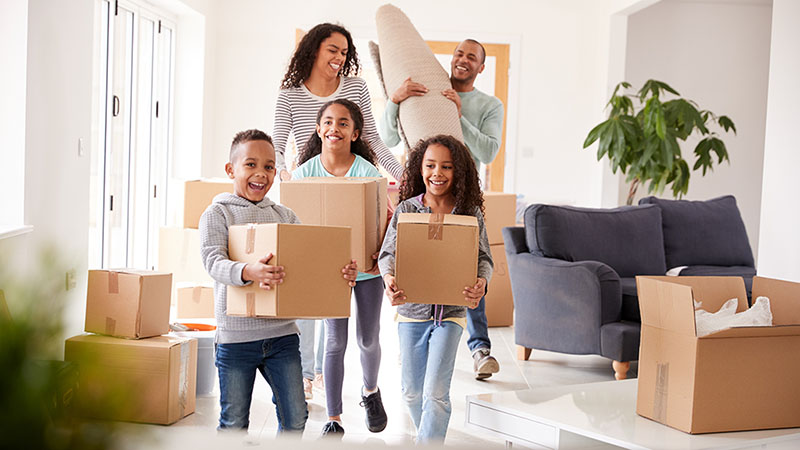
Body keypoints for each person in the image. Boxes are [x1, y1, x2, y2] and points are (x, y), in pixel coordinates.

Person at [199, 129, 358, 434]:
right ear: (231, 169)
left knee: (296, 417)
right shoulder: (217, 213)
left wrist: (341, 275)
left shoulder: (285, 215)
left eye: (269, 166)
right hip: (236, 338)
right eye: (251, 165)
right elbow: (212, 262)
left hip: (283, 335)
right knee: (233, 422)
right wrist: (248, 271)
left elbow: (311, 264)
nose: (261, 174)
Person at [275, 23, 404, 395]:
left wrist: (406, 176)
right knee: (313, 293)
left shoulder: (355, 88)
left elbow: (375, 141)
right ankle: (307, 376)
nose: (339, 58)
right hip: (310, 183)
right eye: (332, 50)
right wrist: (289, 179)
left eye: (345, 53)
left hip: (349, 185)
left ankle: (347, 384)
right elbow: (280, 143)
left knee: (353, 317)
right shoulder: (290, 95)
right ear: (313, 50)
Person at [379, 38, 503, 380]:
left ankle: (479, 348)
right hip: (423, 194)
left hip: (462, 198)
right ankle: (415, 342)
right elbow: (388, 136)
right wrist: (395, 101)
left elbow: (489, 151)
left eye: (472, 57)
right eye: (459, 53)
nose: (463, 60)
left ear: (481, 66)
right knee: (421, 262)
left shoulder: (489, 105)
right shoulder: (428, 91)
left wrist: (459, 118)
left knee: (465, 268)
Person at [378, 134, 493, 444]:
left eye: (446, 167)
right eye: (430, 165)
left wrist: (482, 282)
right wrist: (389, 280)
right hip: (411, 313)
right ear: (420, 169)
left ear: (459, 173)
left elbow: (485, 260)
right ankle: (428, 437)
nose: (437, 173)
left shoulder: (469, 214)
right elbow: (387, 255)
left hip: (452, 315)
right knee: (412, 392)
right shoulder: (406, 210)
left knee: (436, 393)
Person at [293, 99, 388, 438]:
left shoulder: (367, 172)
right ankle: (334, 418)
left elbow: (384, 218)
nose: (335, 128)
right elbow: (296, 226)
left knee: (367, 338)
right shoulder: (304, 174)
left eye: (343, 123)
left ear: (355, 132)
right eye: (328, 122)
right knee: (334, 342)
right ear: (318, 129)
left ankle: (370, 392)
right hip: (329, 271)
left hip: (367, 270)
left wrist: (380, 253)